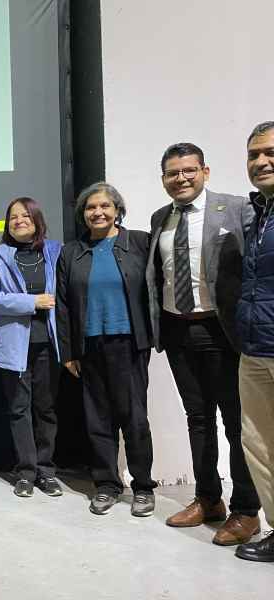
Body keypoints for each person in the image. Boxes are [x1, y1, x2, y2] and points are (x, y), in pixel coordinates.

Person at [146, 143, 260, 545]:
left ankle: (246, 510)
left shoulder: (236, 208)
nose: (181, 179)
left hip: (222, 331)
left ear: (204, 172)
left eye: (188, 170)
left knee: (236, 423)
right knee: (197, 419)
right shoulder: (160, 217)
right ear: (163, 179)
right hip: (178, 331)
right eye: (172, 173)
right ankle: (209, 499)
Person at [56, 182, 156, 516]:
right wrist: (68, 352)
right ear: (82, 214)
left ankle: (143, 487)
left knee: (134, 419)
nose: (97, 212)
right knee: (98, 420)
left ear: (117, 210)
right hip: (89, 346)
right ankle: (107, 485)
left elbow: (156, 288)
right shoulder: (71, 252)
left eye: (104, 206)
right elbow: (63, 305)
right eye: (90, 207)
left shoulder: (139, 242)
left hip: (129, 343)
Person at [0, 197, 63, 498]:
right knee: (18, 409)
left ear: (37, 219)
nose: (18, 221)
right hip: (13, 345)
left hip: (49, 343)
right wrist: (32, 302)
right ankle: (26, 472)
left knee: (46, 409)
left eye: (25, 215)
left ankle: (46, 471)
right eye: (13, 217)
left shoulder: (55, 251)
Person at [235, 121, 274, 563]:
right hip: (253, 347)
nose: (261, 162)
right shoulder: (258, 212)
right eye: (253, 155)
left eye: (270, 153)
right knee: (259, 445)